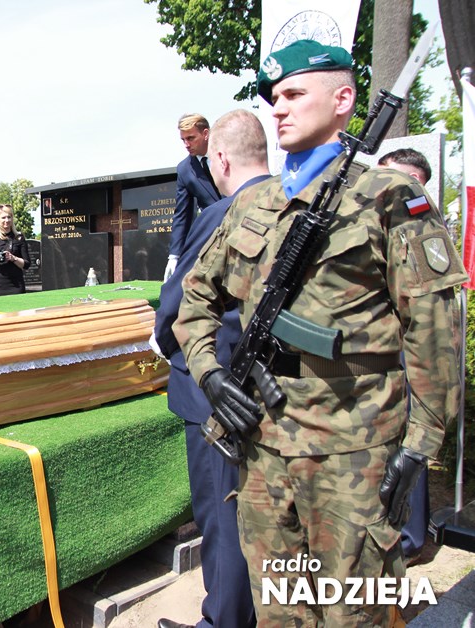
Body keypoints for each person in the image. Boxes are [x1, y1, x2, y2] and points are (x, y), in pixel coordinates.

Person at [174, 40, 466, 625]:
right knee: (280, 611)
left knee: (353, 613)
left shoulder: (389, 197)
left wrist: (421, 444)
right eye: (274, 98)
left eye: (294, 94)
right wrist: (210, 374)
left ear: (343, 100)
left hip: (352, 454)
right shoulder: (252, 206)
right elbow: (195, 299)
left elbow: (435, 331)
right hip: (262, 449)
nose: (278, 108)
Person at [153, 110, 268, 628]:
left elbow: (178, 304)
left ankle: (223, 620)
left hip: (214, 386)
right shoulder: (301, 204)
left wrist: (165, 344)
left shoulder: (225, 212)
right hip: (272, 387)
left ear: (219, 157)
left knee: (223, 515)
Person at [378, 147, 435, 564]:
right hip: (386, 352)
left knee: (411, 442)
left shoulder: (420, 226)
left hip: (409, 352)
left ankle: (411, 538)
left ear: (415, 181)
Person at [166, 113, 222, 282]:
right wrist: (174, 255)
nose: (186, 144)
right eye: (183, 140)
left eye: (191, 138)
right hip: (213, 239)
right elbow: (182, 214)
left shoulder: (228, 154)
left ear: (205, 134)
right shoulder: (184, 169)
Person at [0, 204, 30, 296]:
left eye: (9, 217)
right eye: (3, 218)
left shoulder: (19, 238)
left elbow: (27, 264)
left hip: (16, 284)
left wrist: (13, 258)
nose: (7, 220)